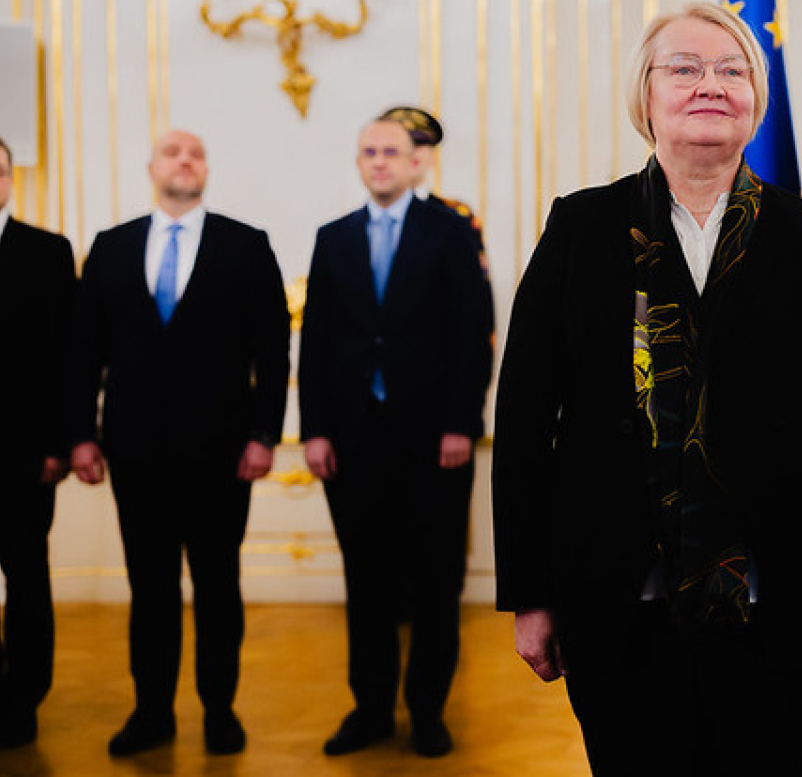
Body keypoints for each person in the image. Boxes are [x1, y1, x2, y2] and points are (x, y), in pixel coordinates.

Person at [492, 1, 802, 777]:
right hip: (616, 601)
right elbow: (524, 419)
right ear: (645, 96)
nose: (710, 83)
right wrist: (529, 594)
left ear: (755, 101)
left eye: (731, 69)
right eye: (683, 68)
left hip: (778, 606)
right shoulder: (580, 229)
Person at [68, 130, 291, 757]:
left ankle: (220, 710)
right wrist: (80, 436)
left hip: (223, 455)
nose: (184, 161)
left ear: (207, 170)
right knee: (152, 589)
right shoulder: (110, 248)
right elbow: (83, 353)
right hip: (135, 453)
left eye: (195, 153)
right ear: (152, 168)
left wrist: (264, 435)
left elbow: (273, 351)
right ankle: (152, 712)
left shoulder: (246, 246)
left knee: (219, 587)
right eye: (173, 152)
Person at [298, 117, 494, 759]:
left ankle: (429, 710)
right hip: (354, 442)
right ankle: (372, 707)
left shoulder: (450, 232)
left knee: (436, 581)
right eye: (368, 153)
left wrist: (462, 423)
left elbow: (474, 333)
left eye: (391, 152)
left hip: (436, 440)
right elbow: (317, 342)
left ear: (418, 164)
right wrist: (316, 430)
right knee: (368, 581)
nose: (378, 162)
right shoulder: (334, 238)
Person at [0, 137, 75, 748]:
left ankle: (22, 699)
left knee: (26, 578)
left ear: (10, 179)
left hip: (23, 453)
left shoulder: (47, 252)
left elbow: (66, 359)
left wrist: (61, 443)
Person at [377, 105, 486, 254]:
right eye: (396, 147)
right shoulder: (359, 222)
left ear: (433, 158)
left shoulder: (458, 217)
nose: (408, 153)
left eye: (417, 145)